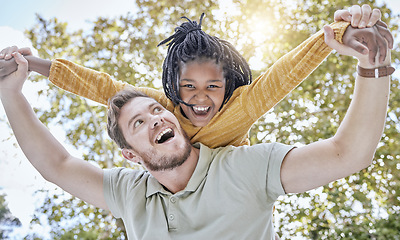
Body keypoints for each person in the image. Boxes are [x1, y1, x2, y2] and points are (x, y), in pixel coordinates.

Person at [0, 22, 394, 239]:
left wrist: (351, 48)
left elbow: (286, 81)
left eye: (155, 111)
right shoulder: (132, 192)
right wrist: (29, 70)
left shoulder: (244, 163)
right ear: (130, 156)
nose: (157, 117)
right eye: (139, 122)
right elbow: (60, 156)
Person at [0, 5, 393, 149]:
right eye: (189, 86)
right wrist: (32, 64)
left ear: (228, 87)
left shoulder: (244, 105)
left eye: (212, 86)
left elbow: (284, 74)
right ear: (174, 87)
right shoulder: (163, 109)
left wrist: (338, 35)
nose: (200, 98)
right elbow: (100, 85)